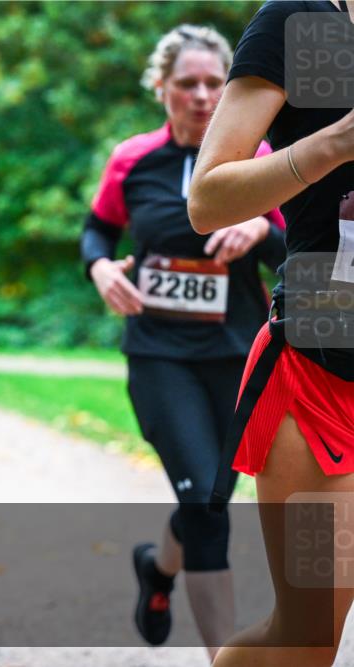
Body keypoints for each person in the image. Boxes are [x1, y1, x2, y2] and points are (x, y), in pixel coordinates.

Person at [80, 24, 286, 661]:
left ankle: (158, 570)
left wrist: (257, 228)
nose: (201, 96)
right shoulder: (132, 159)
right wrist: (101, 269)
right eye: (186, 84)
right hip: (159, 354)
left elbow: (294, 251)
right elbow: (96, 231)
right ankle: (223, 656)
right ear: (161, 89)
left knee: (211, 497)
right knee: (203, 502)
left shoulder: (260, 156)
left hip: (236, 355)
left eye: (213, 84)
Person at [189, 1, 354, 665]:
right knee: (305, 641)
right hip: (327, 379)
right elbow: (208, 199)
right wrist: (336, 143)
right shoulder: (307, 23)